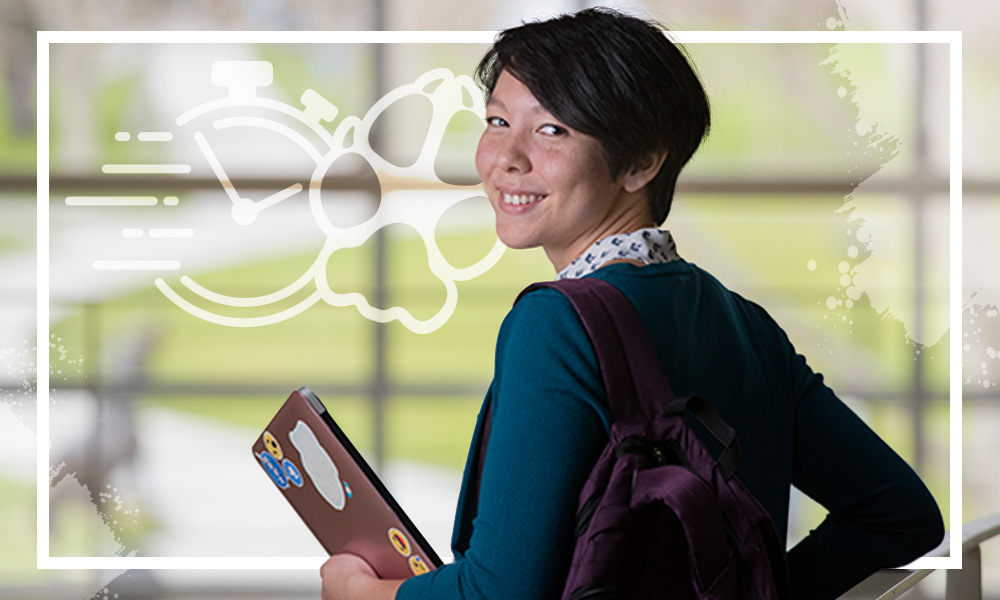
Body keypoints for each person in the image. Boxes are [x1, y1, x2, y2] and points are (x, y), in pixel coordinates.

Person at [320, 8, 944, 600]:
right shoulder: (744, 323)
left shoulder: (557, 323)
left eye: (552, 129)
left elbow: (499, 591)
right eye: (497, 121)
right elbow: (897, 515)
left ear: (642, 162)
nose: (506, 159)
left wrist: (361, 590)